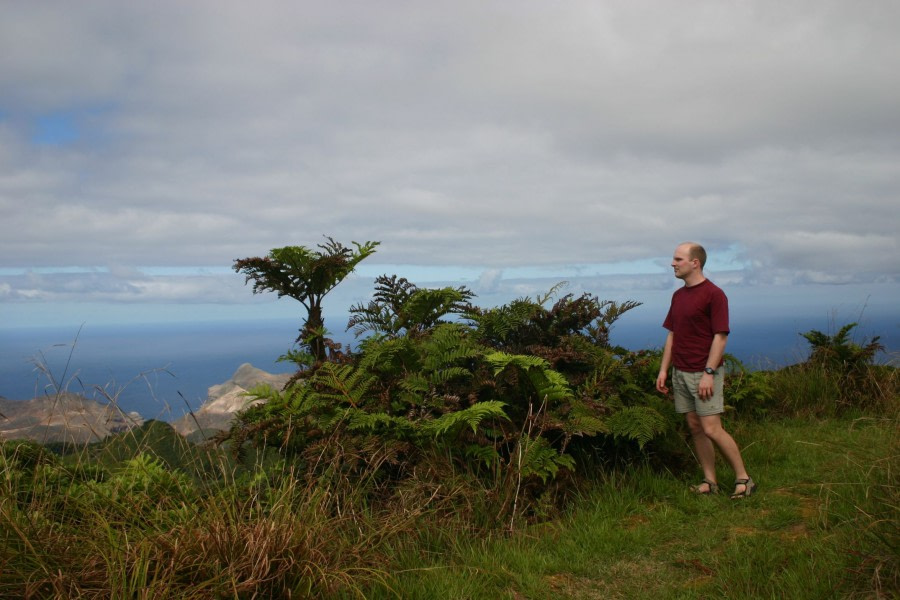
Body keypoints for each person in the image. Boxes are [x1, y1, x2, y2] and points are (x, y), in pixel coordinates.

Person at [655, 242, 756, 499]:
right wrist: (664, 370)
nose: (673, 263)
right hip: (681, 372)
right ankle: (710, 482)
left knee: (712, 428)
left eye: (678, 259)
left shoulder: (714, 294)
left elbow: (720, 336)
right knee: (695, 427)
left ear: (695, 263)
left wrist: (709, 372)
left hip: (703, 372)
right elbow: (672, 335)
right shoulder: (678, 296)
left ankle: (744, 478)